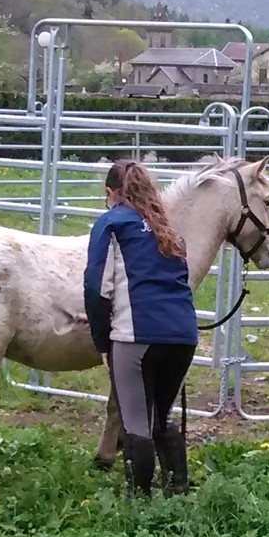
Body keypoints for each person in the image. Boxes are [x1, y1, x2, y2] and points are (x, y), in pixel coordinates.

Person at [84, 158, 199, 496]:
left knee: (136, 424)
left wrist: (102, 342)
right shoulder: (170, 230)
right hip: (182, 337)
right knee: (160, 417)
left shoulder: (111, 224)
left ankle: (139, 505)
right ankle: (177, 491)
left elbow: (96, 288)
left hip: (136, 336)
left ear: (110, 193)